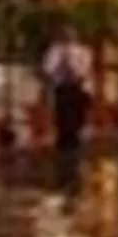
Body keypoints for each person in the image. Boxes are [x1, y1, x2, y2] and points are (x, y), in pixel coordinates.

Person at [43, 24, 94, 158]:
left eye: (70, 34)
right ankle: (63, 144)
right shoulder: (54, 51)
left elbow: (85, 69)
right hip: (62, 87)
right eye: (64, 34)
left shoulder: (83, 51)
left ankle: (75, 141)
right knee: (62, 117)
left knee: (76, 116)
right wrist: (56, 72)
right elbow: (48, 69)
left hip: (78, 87)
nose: (67, 36)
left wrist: (76, 72)